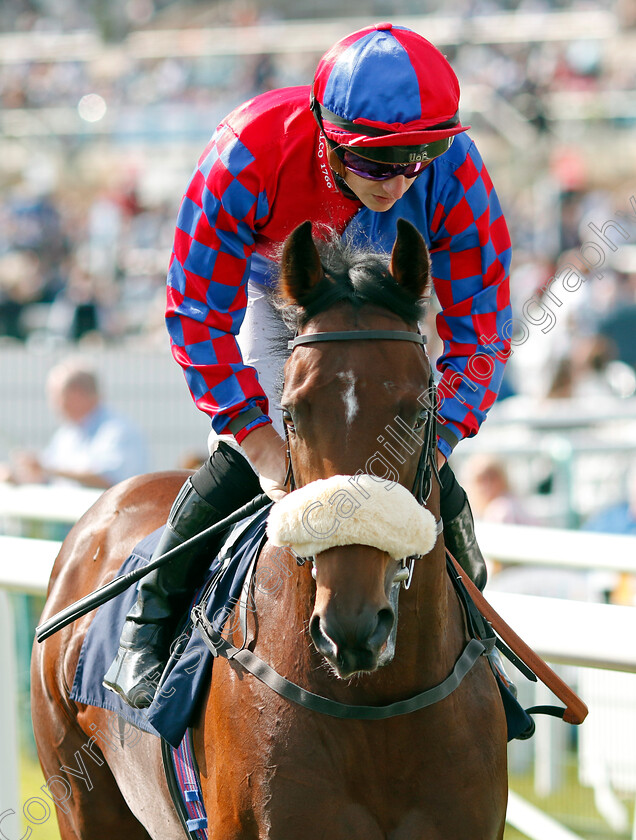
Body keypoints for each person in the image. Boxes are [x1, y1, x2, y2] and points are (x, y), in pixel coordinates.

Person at [104, 23, 513, 708]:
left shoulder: (456, 168)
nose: (401, 179)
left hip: (394, 306)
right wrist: (256, 438)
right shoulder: (247, 150)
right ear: (328, 132)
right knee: (261, 454)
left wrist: (437, 443)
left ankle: (480, 650)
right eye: (379, 164)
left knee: (424, 466)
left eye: (419, 158)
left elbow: (484, 326)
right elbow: (196, 311)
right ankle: (146, 629)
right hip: (290, 297)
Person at [1, 358, 149, 489]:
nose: (52, 403)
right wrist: (16, 478)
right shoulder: (67, 433)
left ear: (78, 393)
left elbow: (108, 478)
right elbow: (48, 477)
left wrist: (45, 467)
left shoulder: (118, 431)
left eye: (56, 395)